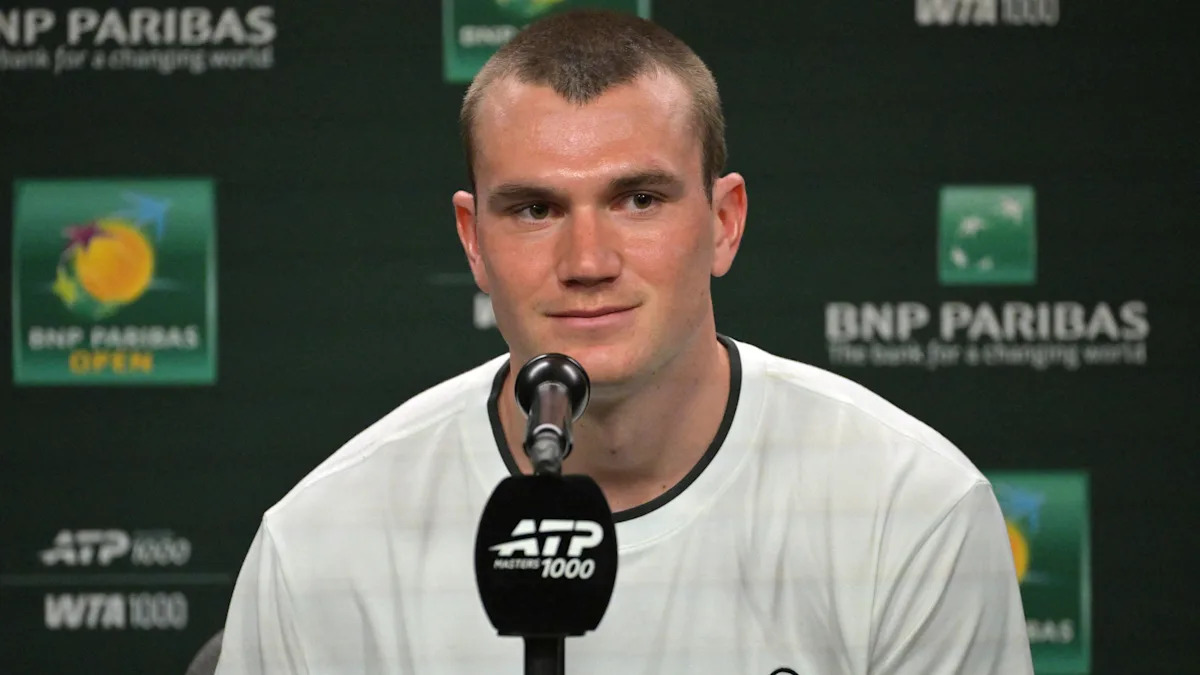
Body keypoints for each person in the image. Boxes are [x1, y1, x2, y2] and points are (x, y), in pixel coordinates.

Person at [215, 9, 1034, 674]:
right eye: (535, 209)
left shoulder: (909, 507)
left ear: (724, 222)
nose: (588, 261)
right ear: (473, 241)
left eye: (639, 200)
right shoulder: (320, 543)